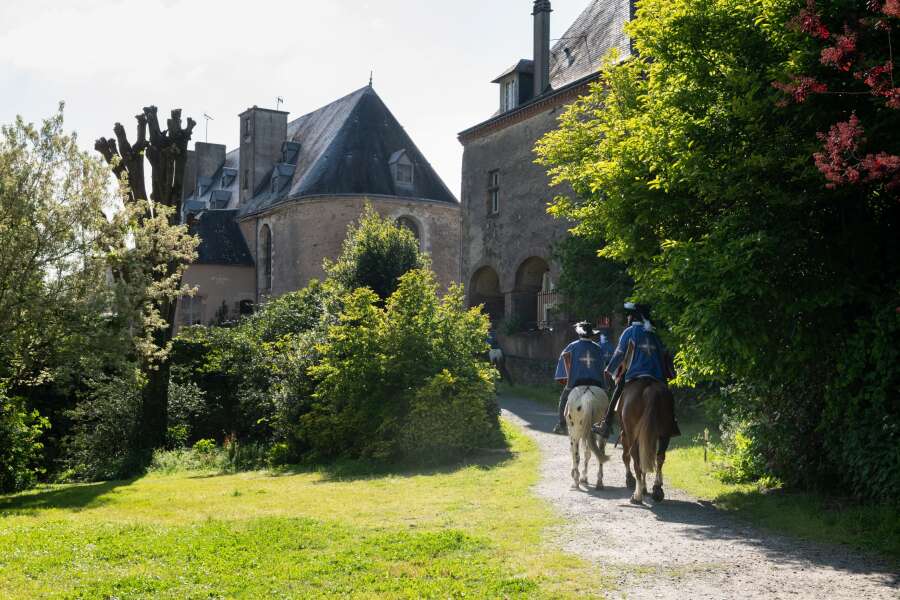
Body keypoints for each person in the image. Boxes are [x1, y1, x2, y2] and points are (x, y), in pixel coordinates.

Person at [593, 302, 680, 439]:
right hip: (656, 376)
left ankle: (606, 424)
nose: (627, 318)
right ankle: (672, 422)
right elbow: (665, 356)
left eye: (629, 315)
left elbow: (620, 354)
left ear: (633, 317)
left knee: (618, 391)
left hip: (635, 374)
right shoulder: (654, 333)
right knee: (667, 396)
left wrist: (609, 371)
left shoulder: (629, 332)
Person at [553, 321, 607, 434]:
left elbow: (565, 357)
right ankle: (605, 424)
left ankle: (562, 424)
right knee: (605, 401)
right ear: (592, 334)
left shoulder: (572, 346)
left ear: (579, 333)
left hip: (577, 383)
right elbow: (602, 366)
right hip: (596, 383)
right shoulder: (598, 348)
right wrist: (604, 384)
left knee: (563, 399)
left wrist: (569, 379)